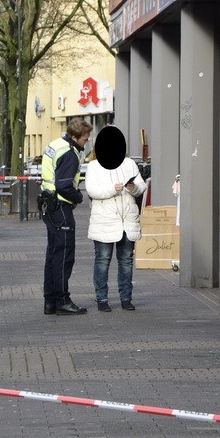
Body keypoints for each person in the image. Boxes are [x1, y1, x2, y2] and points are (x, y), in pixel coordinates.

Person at [85, 125, 146, 312]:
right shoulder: (94, 166)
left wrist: (132, 188)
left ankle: (126, 297)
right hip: (103, 221)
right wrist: (113, 188)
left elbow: (141, 187)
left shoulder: (129, 164)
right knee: (103, 260)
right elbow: (92, 191)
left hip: (127, 221)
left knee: (126, 260)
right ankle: (101, 299)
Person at [40, 117, 93, 316]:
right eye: (85, 138)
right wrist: (79, 197)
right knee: (63, 256)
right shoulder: (70, 154)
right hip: (61, 208)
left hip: (49, 204)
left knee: (53, 256)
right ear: (74, 136)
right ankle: (62, 300)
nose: (86, 141)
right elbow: (63, 185)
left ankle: (50, 301)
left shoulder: (56, 144)